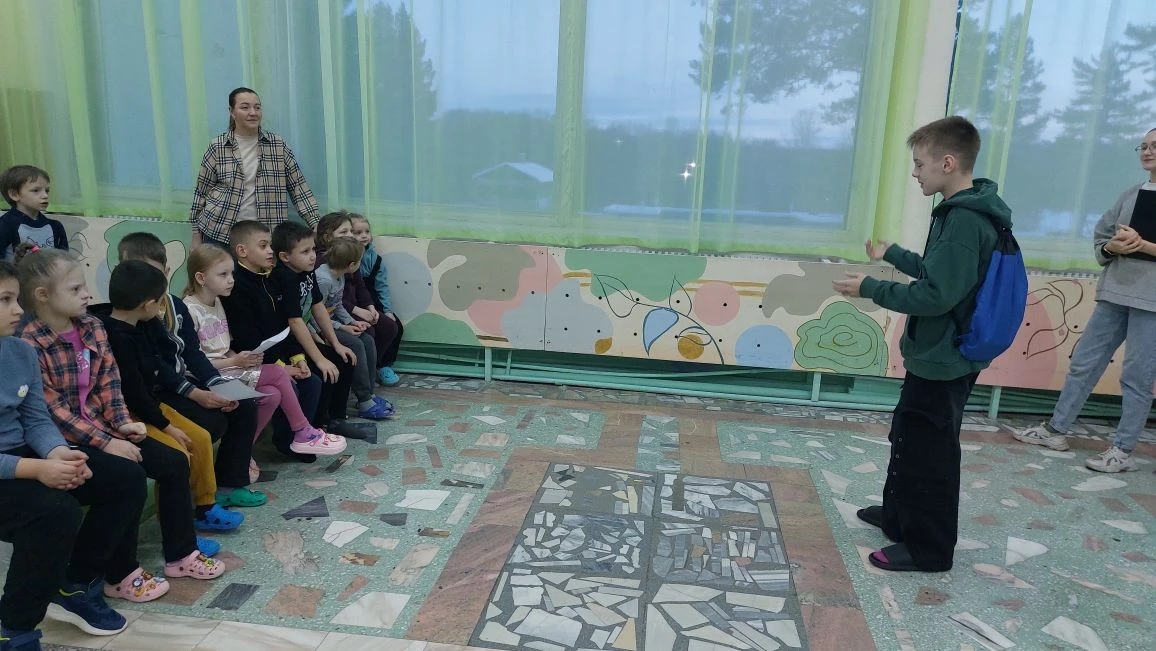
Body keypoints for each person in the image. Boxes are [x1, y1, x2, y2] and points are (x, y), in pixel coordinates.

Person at [832, 116, 1010, 573]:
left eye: (919, 163)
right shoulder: (962, 210)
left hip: (944, 357)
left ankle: (929, 549)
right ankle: (899, 517)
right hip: (938, 353)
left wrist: (871, 288)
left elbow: (936, 296)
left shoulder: (965, 220)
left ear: (947, 163)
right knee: (909, 438)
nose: (914, 173)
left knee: (930, 453)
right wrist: (892, 254)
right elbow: (940, 271)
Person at [15, 249, 222, 587]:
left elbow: (109, 385)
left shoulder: (93, 327)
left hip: (103, 426)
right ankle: (120, 572)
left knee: (173, 461)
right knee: (128, 475)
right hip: (61, 441)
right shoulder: (29, 344)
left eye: (84, 286)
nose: (87, 294)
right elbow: (53, 412)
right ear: (42, 295)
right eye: (76, 289)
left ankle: (180, 555)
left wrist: (123, 423)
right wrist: (108, 442)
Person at [0, 260, 164, 651]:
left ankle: (74, 586)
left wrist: (60, 454)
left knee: (124, 477)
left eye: (15, 298)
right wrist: (39, 469)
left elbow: (36, 419)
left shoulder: (19, 351)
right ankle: (14, 627)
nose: (18, 309)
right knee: (54, 512)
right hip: (11, 467)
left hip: (28, 454)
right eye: (5, 300)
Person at [1013, 127, 1156, 473]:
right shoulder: (1130, 194)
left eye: (1155, 146)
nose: (1147, 151)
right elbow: (1103, 235)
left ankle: (1122, 450)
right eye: (1143, 146)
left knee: (1137, 376)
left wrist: (1143, 246)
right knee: (1084, 362)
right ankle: (1056, 430)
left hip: (1152, 302)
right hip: (1114, 292)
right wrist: (1112, 247)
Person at [113, 233, 264, 505]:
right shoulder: (132, 312)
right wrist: (197, 394)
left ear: (166, 271)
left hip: (182, 381)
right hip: (162, 390)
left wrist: (217, 385)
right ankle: (198, 497)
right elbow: (157, 367)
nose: (144, 281)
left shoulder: (175, 305)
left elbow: (192, 353)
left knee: (243, 405)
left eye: (152, 273)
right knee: (212, 424)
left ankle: (231, 484)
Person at [95, 261, 244, 537]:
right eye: (161, 300)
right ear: (148, 304)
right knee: (178, 454)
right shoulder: (117, 338)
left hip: (152, 405)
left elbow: (163, 361)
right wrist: (168, 427)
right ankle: (178, 530)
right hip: (133, 415)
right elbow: (135, 395)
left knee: (200, 438)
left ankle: (205, 508)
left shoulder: (143, 324)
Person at [182, 244, 343, 476]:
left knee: (272, 394)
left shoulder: (217, 302)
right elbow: (193, 362)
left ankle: (242, 452)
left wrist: (240, 358)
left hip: (227, 369)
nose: (231, 280)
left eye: (231, 274)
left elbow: (222, 348)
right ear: (201, 278)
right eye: (223, 275)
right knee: (277, 373)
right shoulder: (188, 309)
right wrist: (234, 362)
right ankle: (302, 431)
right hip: (207, 378)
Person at [219, 221, 347, 459]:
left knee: (312, 381)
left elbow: (282, 327)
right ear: (242, 251)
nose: (270, 251)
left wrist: (297, 358)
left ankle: (302, 437)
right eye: (263, 246)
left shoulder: (268, 278)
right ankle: (289, 439)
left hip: (276, 354)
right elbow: (247, 339)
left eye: (270, 245)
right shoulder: (238, 287)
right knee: (293, 385)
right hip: (252, 359)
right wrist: (281, 366)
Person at [188, 87, 320, 248]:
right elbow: (201, 191)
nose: (253, 112)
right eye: (245, 107)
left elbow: (298, 188)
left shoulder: (277, 145)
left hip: (266, 234)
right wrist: (196, 235)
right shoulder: (218, 146)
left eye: (257, 107)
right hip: (220, 232)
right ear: (232, 112)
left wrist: (315, 224)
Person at [270, 222, 361, 433]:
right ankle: (314, 428)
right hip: (286, 345)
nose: (313, 256)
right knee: (323, 371)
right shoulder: (285, 277)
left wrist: (335, 344)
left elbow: (318, 306)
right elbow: (295, 321)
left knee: (344, 358)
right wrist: (320, 359)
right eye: (305, 252)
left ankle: (336, 419)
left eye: (312, 249)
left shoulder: (307, 271)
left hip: (302, 338)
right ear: (285, 257)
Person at [314, 217, 392, 420]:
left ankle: (369, 394)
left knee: (367, 339)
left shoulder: (339, 275)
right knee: (355, 344)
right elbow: (315, 314)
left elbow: (337, 304)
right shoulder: (323, 279)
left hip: (334, 321)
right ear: (352, 265)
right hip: (320, 327)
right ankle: (364, 400)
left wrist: (352, 322)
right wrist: (342, 327)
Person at [350, 213, 403, 386]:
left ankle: (383, 365)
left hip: (372, 300)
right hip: (354, 302)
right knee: (372, 330)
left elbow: (382, 287)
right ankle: (369, 367)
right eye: (358, 233)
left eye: (367, 231)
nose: (364, 236)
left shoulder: (376, 259)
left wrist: (387, 310)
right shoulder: (347, 258)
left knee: (396, 325)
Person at [0, 165, 69, 262]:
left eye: (47, 190)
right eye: (36, 190)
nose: (45, 195)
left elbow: (64, 261)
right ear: (14, 194)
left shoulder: (56, 226)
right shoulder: (5, 225)